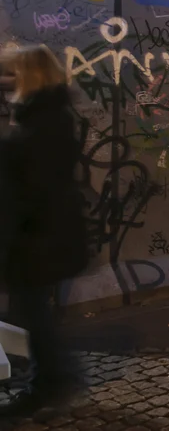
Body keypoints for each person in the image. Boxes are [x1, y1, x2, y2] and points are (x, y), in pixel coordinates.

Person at [0, 45, 88, 416]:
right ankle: (56, 377)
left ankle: (51, 382)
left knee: (34, 312)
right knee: (37, 312)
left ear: (29, 77)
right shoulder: (54, 113)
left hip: (36, 239)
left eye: (14, 74)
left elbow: (25, 189)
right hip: (50, 234)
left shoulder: (36, 126)